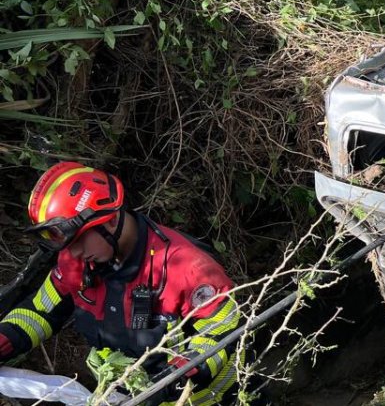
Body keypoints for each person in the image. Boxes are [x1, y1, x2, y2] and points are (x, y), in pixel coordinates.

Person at [0, 162, 240, 405]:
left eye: (78, 240)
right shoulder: (76, 263)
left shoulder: (189, 269)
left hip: (208, 399)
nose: (72, 253)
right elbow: (40, 311)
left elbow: (223, 332)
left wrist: (171, 379)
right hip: (119, 395)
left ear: (111, 220)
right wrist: (4, 339)